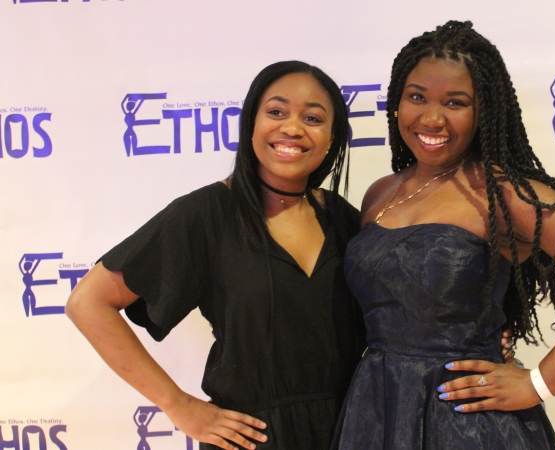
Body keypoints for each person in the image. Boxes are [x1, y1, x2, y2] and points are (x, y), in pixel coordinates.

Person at [330, 21, 555, 449]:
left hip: (467, 421)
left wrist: (538, 383)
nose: (432, 117)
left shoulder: (505, 193)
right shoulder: (381, 192)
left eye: (455, 102)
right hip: (377, 408)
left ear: (483, 110)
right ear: (396, 103)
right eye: (417, 97)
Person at [66, 61, 366, 450]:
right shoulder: (206, 214)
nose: (292, 127)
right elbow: (87, 302)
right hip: (252, 438)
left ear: (332, 136)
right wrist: (177, 405)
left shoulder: (342, 218)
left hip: (350, 430)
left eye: (312, 117)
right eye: (276, 112)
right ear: (251, 124)